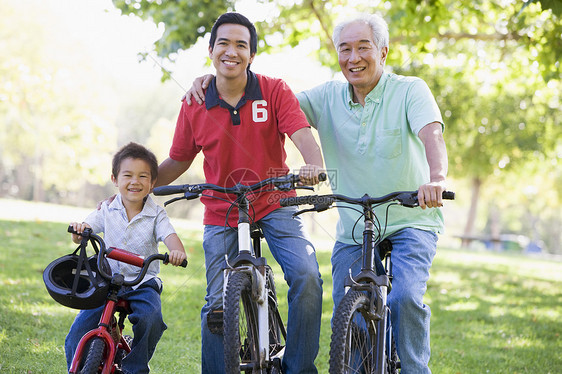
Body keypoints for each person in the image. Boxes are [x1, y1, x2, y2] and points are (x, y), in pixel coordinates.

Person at [185, 13, 448, 374]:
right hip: (356, 222)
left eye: (363, 48)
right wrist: (216, 80)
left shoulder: (410, 89)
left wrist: (436, 178)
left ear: (383, 52)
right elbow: (263, 101)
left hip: (410, 217)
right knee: (347, 307)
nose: (353, 57)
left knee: (404, 298)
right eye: (345, 49)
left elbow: (431, 134)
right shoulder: (326, 96)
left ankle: (416, 370)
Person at [156, 12, 324, 374]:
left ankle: (297, 367)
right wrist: (138, 182)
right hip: (222, 209)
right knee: (216, 302)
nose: (231, 51)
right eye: (224, 43)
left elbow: (301, 132)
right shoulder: (194, 102)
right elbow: (178, 159)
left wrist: (314, 163)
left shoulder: (273, 90)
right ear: (211, 49)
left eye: (241, 45)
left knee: (307, 276)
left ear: (251, 55)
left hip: (276, 201)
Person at [65, 142, 187, 374]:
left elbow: (170, 236)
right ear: (115, 179)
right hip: (106, 279)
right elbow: (86, 230)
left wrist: (176, 252)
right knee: (78, 332)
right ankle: (77, 367)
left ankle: (136, 366)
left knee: (151, 318)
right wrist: (80, 230)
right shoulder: (107, 209)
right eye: (128, 175)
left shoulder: (157, 214)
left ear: (152, 183)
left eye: (143, 176)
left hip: (141, 282)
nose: (135, 181)